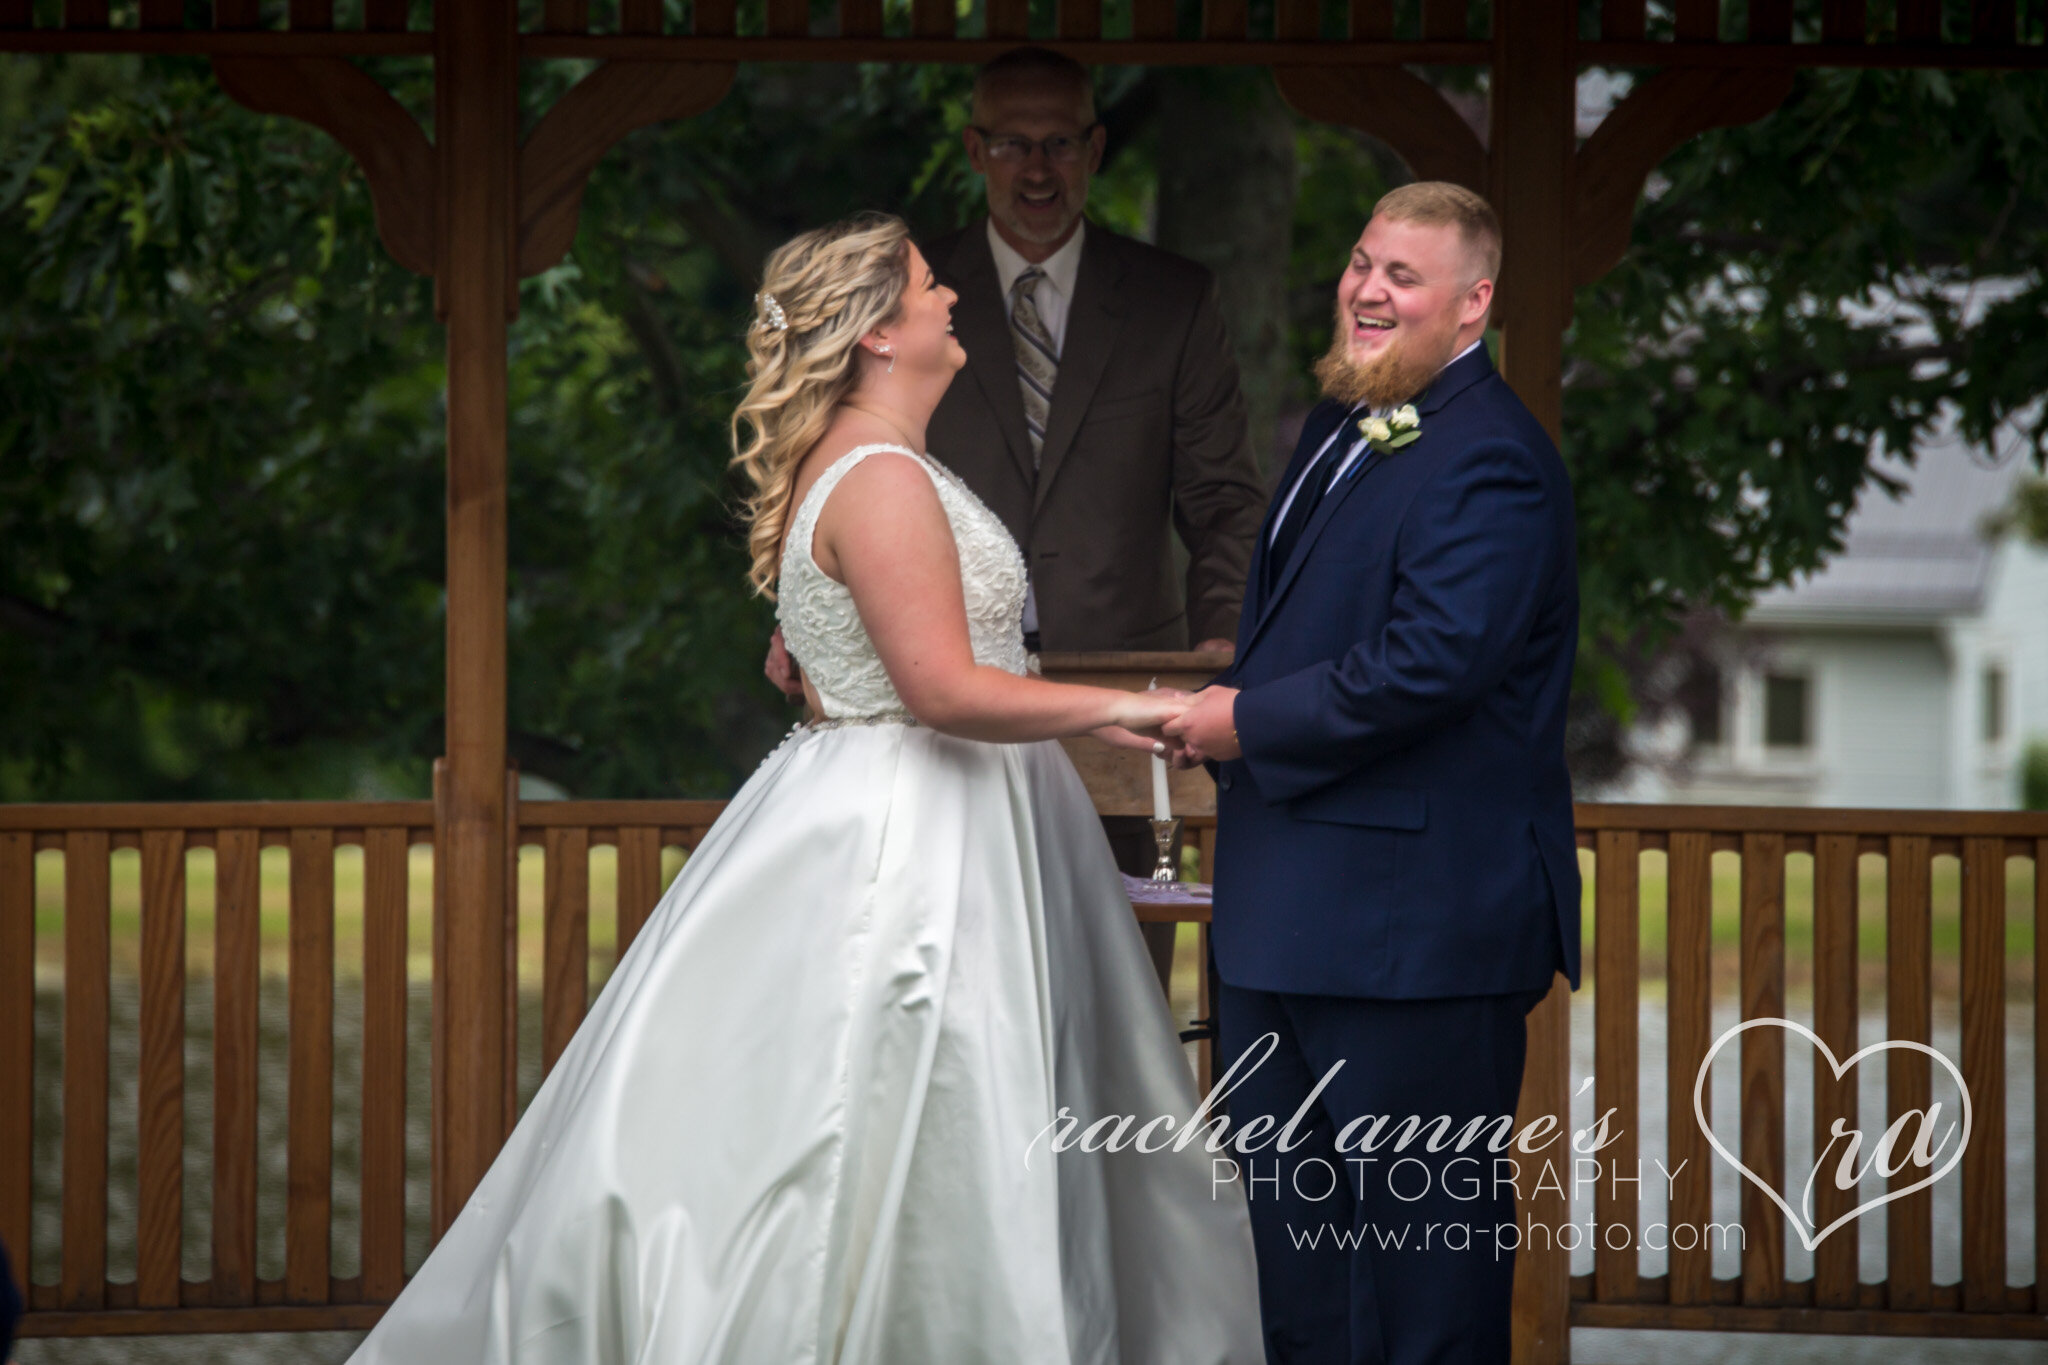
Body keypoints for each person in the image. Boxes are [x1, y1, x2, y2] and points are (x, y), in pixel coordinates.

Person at [346, 213, 1263, 1364]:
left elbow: (847, 670)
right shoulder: (877, 478)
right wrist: (1130, 709)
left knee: (942, 1110)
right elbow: (939, 688)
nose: (950, 300)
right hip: (913, 836)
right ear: (879, 330)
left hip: (942, 812)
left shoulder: (878, 464)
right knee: (899, 1106)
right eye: (930, 287)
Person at [1165, 183, 1583, 1364]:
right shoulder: (1340, 427)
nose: (1366, 287)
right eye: (1360, 262)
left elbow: (1431, 664)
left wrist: (1243, 722)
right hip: (1284, 924)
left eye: (1403, 274)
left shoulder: (1494, 458)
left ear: (1473, 305)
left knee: (1419, 1281)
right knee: (1297, 1272)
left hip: (1414, 934)